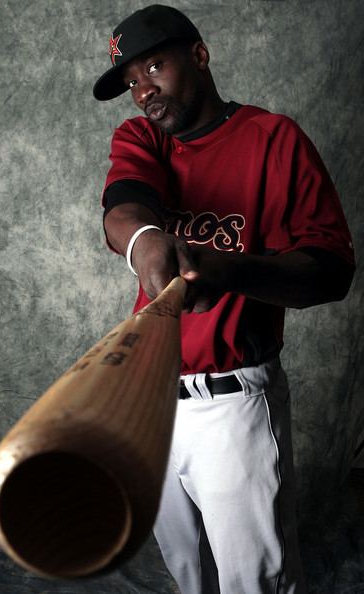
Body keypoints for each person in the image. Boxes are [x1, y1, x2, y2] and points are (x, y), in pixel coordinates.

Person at [93, 5, 355, 593]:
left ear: (200, 55)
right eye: (131, 81)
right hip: (150, 397)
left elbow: (331, 272)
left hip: (232, 404)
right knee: (190, 578)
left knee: (254, 583)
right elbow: (125, 205)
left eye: (154, 66)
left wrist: (223, 270)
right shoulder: (141, 137)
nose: (143, 92)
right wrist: (144, 241)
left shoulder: (273, 139)